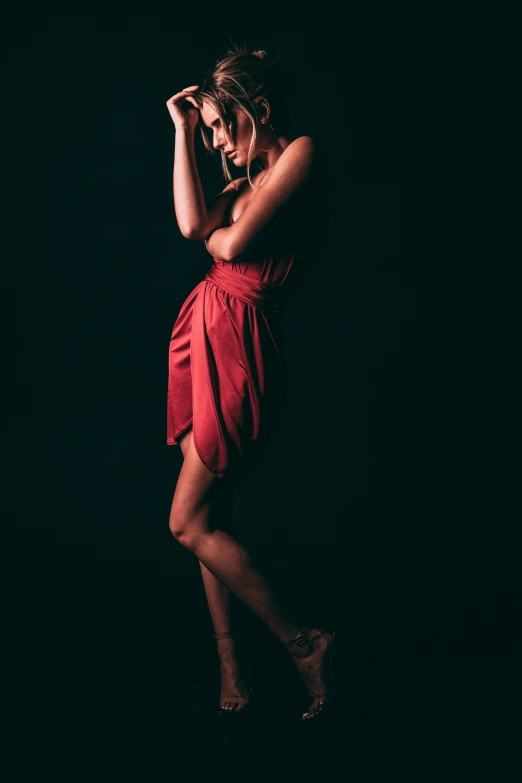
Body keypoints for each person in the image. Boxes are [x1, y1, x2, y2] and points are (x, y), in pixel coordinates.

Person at [165, 44, 335, 721]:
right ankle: (233, 670)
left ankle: (306, 640)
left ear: (257, 111)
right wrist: (178, 127)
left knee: (185, 521)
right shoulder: (241, 183)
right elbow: (190, 223)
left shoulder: (300, 153)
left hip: (240, 348)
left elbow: (225, 247)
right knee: (212, 518)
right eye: (203, 130)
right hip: (201, 335)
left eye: (216, 125)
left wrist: (216, 234)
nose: (214, 142)